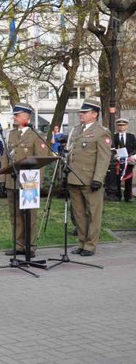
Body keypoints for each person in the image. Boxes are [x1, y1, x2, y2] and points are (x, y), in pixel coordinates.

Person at [0, 103, 52, 257]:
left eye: (17, 115)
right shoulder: (11, 134)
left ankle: (30, 246)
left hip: (29, 181)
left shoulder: (36, 135)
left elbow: (42, 161)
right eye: (14, 115)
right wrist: (3, 180)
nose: (14, 117)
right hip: (12, 180)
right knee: (15, 215)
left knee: (29, 215)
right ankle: (18, 245)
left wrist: (39, 184)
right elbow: (5, 158)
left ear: (26, 117)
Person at [66, 99, 111, 256]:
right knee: (78, 214)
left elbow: (104, 158)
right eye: (81, 112)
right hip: (74, 178)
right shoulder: (77, 130)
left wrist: (98, 178)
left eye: (84, 112)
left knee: (93, 213)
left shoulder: (101, 132)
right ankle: (81, 242)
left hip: (90, 180)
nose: (81, 115)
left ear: (94, 114)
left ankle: (90, 245)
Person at [114, 118, 135, 202]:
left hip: (128, 161)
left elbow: (135, 148)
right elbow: (112, 148)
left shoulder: (131, 136)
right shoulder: (114, 136)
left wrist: (133, 156)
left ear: (126, 126)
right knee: (117, 179)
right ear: (117, 126)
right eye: (119, 125)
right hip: (117, 162)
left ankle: (128, 197)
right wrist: (116, 156)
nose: (121, 127)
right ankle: (118, 196)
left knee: (128, 179)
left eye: (123, 125)